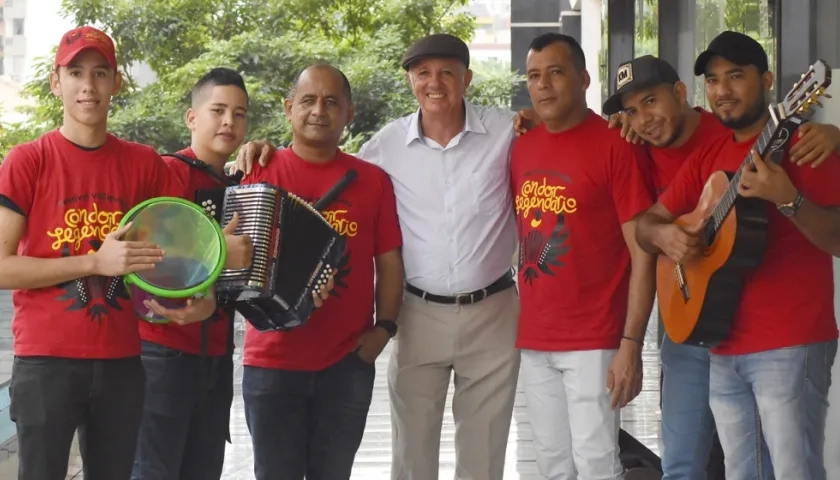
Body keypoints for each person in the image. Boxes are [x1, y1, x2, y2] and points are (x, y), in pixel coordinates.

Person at [601, 54, 840, 480]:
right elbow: (646, 232)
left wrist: (832, 137)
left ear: (679, 94)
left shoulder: (749, 136)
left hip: (777, 333)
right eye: (631, 112)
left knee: (786, 466)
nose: (643, 120)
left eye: (651, 102)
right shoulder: (639, 144)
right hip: (698, 321)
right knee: (694, 463)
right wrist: (664, 237)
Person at [0, 26, 218, 480]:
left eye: (100, 73)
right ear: (56, 82)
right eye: (75, 72)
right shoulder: (28, 160)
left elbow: (181, 249)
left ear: (116, 83)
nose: (88, 85)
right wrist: (93, 262)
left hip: (122, 360)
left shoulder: (143, 164)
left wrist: (205, 291)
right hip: (45, 361)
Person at [240, 63, 404, 480]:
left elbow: (388, 263)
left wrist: (383, 330)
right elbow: (233, 257)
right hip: (272, 363)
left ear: (349, 113)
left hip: (345, 364)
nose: (319, 111)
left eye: (332, 102)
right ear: (288, 107)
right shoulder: (259, 171)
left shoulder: (372, 181)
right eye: (308, 100)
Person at [512, 32, 656, 479]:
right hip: (535, 335)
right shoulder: (520, 146)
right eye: (534, 76)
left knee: (596, 461)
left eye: (556, 72)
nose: (544, 86)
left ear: (583, 78)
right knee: (553, 464)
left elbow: (643, 253)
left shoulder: (616, 145)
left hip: (595, 336)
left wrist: (630, 344)